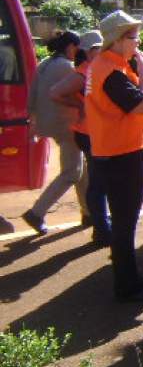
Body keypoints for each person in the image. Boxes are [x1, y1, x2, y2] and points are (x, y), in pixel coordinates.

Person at [85, 10, 143, 302]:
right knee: (125, 222)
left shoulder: (106, 65)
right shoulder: (111, 71)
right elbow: (142, 104)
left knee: (123, 221)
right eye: (132, 36)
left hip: (114, 151)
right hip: (121, 155)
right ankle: (128, 284)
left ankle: (127, 280)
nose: (138, 41)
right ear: (117, 40)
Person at [22, 30, 89, 234]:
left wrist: (33, 120)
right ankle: (37, 212)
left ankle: (90, 212)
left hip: (51, 124)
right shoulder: (67, 67)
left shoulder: (45, 64)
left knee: (82, 169)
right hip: (66, 124)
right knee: (72, 172)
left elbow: (32, 95)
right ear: (71, 48)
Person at [49, 30, 111, 244]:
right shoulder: (84, 72)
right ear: (87, 51)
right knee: (98, 183)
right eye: (97, 48)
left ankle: (100, 225)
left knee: (96, 181)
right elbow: (55, 93)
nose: (101, 51)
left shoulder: (92, 70)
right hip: (88, 133)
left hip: (92, 132)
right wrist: (80, 104)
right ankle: (102, 228)